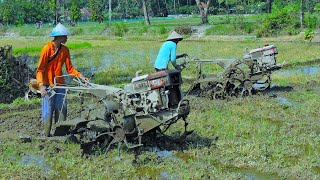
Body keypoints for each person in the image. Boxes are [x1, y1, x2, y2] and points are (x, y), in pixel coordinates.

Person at [36, 23, 88, 137]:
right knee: (48, 111)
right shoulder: (46, 49)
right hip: (47, 85)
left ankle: (60, 134)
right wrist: (41, 85)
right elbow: (40, 69)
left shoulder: (65, 50)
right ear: (59, 37)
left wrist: (81, 77)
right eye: (65, 36)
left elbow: (70, 69)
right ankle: (46, 135)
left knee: (61, 109)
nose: (67, 38)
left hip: (60, 84)